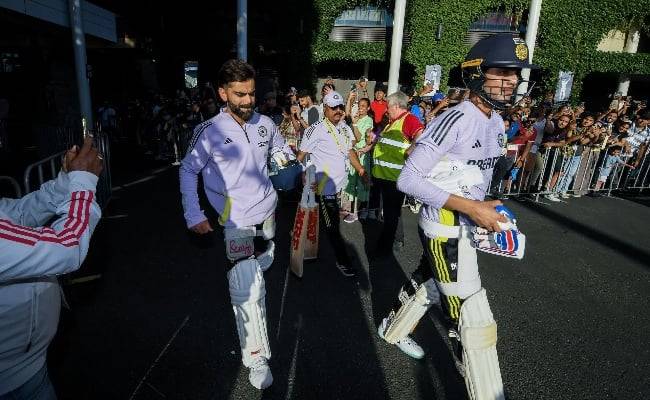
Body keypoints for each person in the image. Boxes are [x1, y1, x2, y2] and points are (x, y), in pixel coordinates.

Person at [376, 33, 536, 399]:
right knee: (471, 309)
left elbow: (472, 175)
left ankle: (393, 329)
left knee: (429, 283)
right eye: (502, 71)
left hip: (465, 224)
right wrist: (472, 207)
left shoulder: (496, 120)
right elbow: (408, 179)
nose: (511, 80)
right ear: (477, 72)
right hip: (444, 226)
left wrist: (486, 203)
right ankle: (487, 390)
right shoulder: (456, 117)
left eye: (515, 73)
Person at [179, 59, 294, 390]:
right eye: (240, 94)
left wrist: (291, 164)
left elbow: (279, 150)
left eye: (252, 93)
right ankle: (255, 356)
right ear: (222, 93)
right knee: (248, 288)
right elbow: (188, 171)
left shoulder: (265, 124)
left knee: (264, 255)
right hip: (235, 222)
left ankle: (262, 256)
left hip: (268, 212)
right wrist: (194, 214)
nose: (247, 101)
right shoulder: (208, 132)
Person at [0, 136, 103, 399]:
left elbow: (19, 215)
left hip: (26, 368)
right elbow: (67, 247)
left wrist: (65, 181)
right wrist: (82, 183)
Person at [296, 91, 368, 278]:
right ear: (324, 108)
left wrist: (360, 169)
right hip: (323, 186)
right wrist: (304, 174)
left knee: (318, 218)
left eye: (340, 107)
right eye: (333, 107)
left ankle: (304, 243)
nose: (337, 111)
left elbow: (349, 150)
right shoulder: (315, 129)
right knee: (332, 226)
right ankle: (342, 260)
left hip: (339, 186)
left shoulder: (344, 127)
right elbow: (301, 156)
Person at [371, 91, 424, 255]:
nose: (387, 110)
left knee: (391, 214)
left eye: (388, 107)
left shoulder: (409, 119)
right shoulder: (394, 122)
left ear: (396, 106)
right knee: (391, 213)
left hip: (394, 178)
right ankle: (395, 240)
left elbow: (422, 136)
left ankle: (384, 249)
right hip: (384, 176)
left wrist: (412, 148)